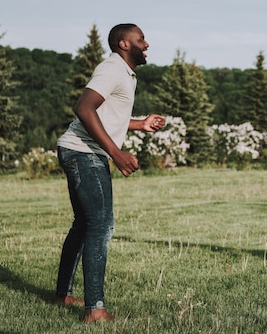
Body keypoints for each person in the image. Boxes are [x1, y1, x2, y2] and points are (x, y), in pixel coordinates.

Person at [54, 23, 166, 322]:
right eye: (141, 39)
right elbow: (85, 108)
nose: (147, 44)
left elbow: (106, 116)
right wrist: (116, 153)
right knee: (101, 225)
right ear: (124, 44)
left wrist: (140, 123)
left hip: (79, 150)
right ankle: (95, 310)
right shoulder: (112, 69)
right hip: (83, 152)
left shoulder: (125, 74)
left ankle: (63, 295)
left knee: (84, 224)